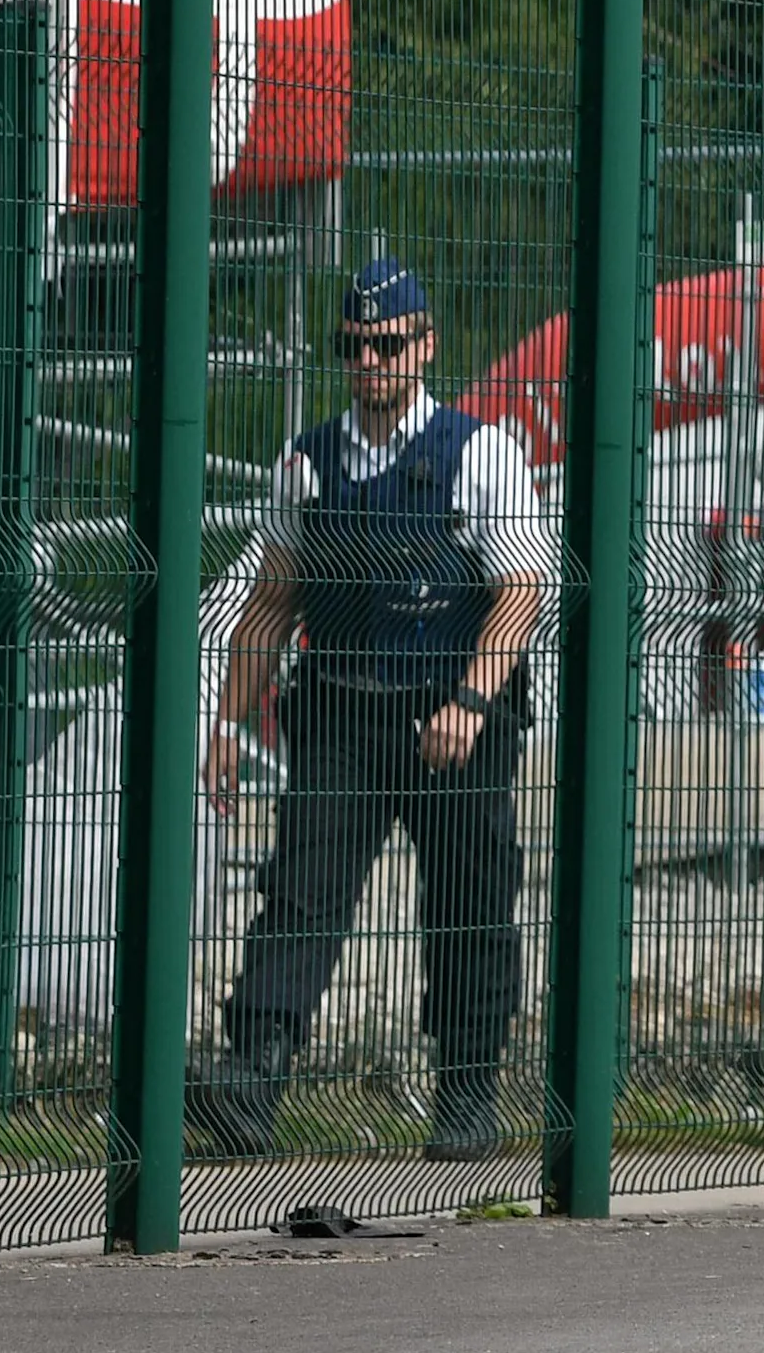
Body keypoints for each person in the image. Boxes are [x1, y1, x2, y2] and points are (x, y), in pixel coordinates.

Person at [185, 258, 553, 1164]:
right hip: (342, 707)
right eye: (355, 346)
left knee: (470, 900)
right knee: (300, 891)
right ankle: (253, 1079)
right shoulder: (307, 462)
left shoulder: (479, 455)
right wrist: (229, 722)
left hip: (451, 719)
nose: (371, 361)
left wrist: (471, 699)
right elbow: (272, 602)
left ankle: (468, 1092)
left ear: (426, 346)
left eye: (388, 345)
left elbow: (521, 589)